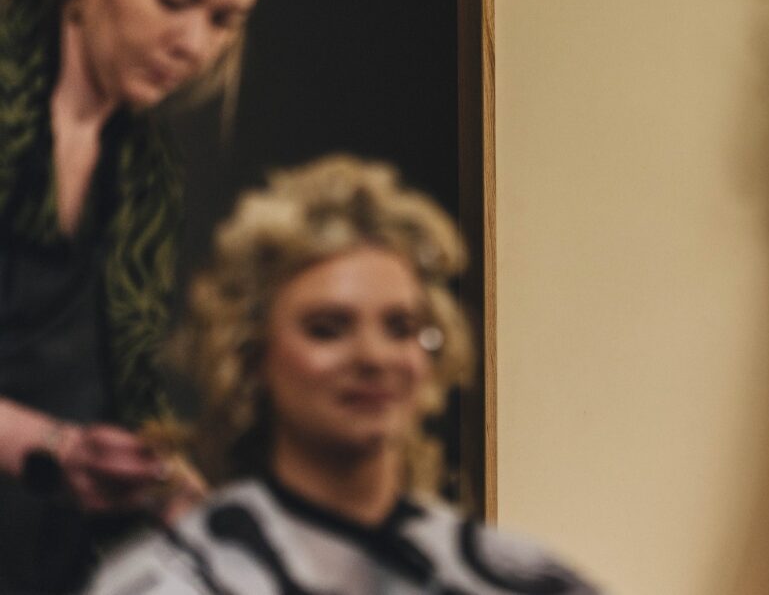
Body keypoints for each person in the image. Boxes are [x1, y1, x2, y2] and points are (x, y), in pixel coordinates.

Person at [87, 156, 600, 594]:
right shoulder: (170, 581)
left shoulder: (518, 578)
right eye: (328, 329)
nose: (373, 356)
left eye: (401, 327)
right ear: (250, 354)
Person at [0, 0, 284, 590]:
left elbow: (121, 388)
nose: (195, 45)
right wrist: (51, 446)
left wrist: (174, 488)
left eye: (224, 21)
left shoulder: (148, 170)